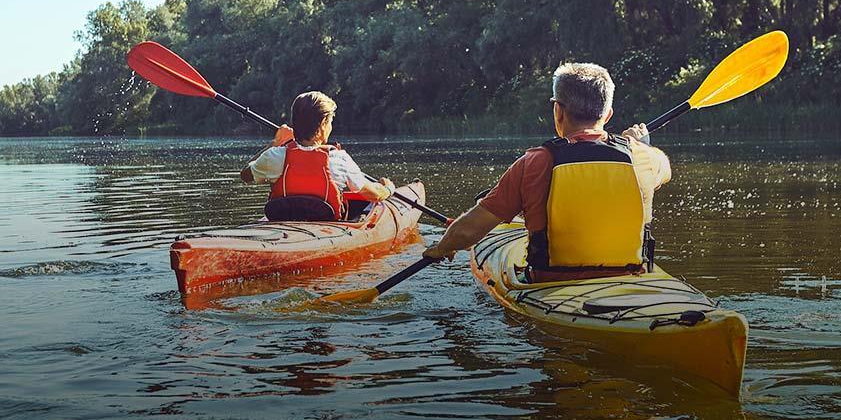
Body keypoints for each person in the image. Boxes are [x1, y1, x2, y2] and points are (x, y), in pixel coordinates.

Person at [422, 62, 670, 281]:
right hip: (629, 278)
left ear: (558, 111)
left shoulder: (535, 162)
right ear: (607, 114)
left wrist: (443, 247)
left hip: (551, 283)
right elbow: (665, 170)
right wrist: (640, 144)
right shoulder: (642, 157)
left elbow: (468, 230)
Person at [240, 91, 394, 222]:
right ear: (322, 125)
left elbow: (245, 175)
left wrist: (275, 142)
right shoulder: (339, 159)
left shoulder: (275, 155)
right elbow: (372, 194)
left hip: (283, 223)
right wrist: (387, 189)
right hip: (327, 229)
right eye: (330, 122)